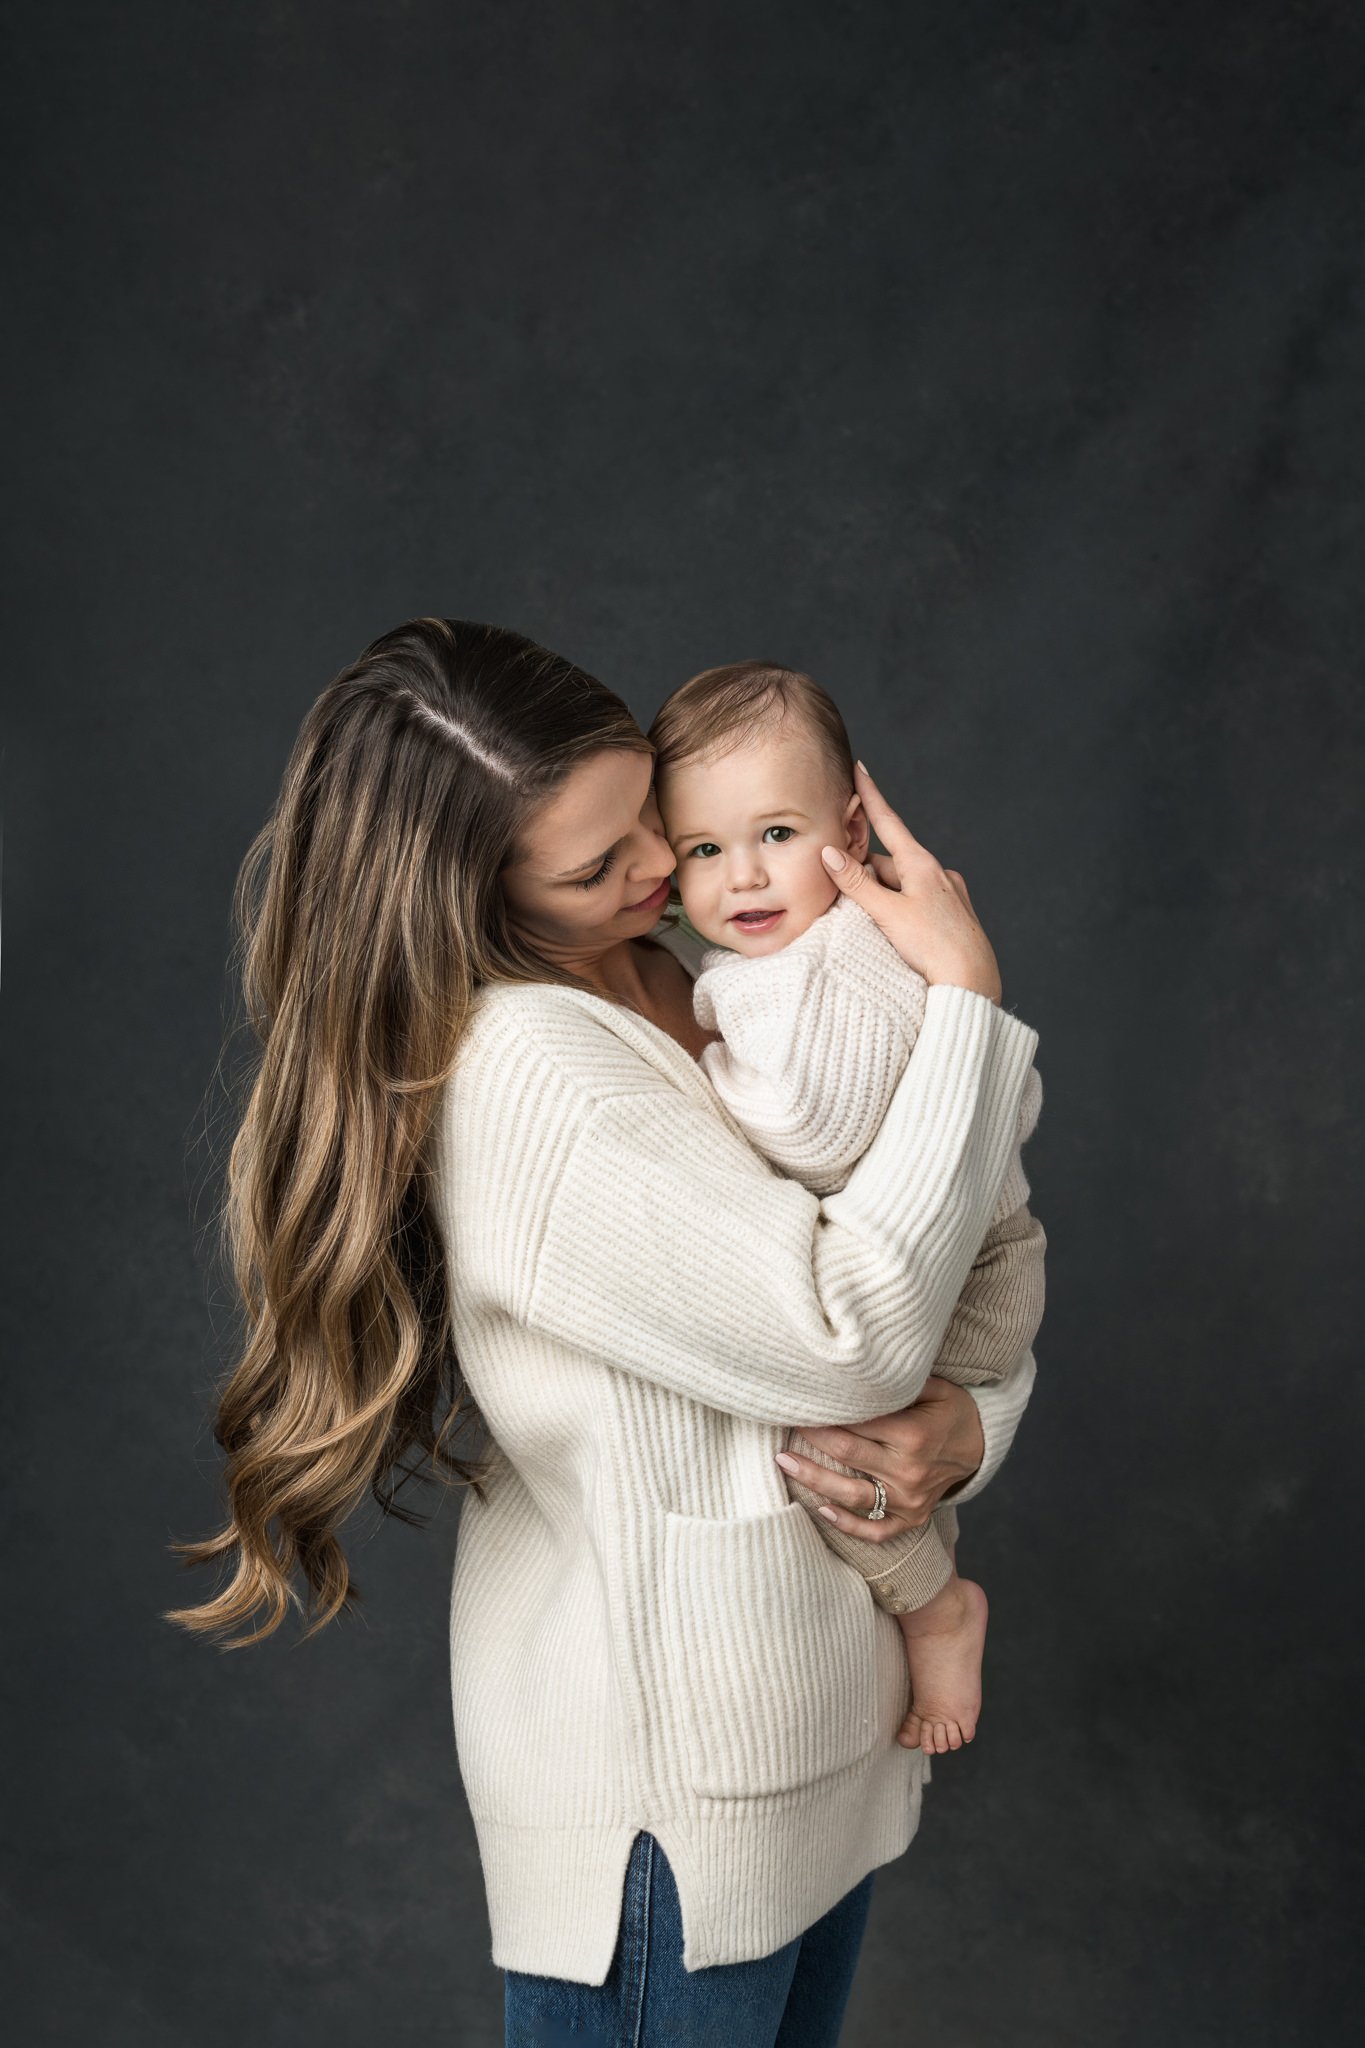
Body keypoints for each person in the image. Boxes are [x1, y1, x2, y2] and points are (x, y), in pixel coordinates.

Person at [164, 617, 1041, 2048]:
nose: (664, 870)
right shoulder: (533, 1079)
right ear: (470, 895)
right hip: (676, 1796)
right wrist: (964, 1001)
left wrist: (970, 1432)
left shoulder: (692, 975)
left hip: (817, 1722)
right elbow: (849, 1335)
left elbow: (935, 1276)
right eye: (597, 865)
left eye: (655, 817)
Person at [646, 658, 1047, 1755]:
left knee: (837, 1456)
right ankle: (937, 1587)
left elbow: (815, 1130)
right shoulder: (865, 941)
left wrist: (702, 1076)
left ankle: (937, 1607)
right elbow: (1009, 1086)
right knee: (887, 1451)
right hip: (989, 1250)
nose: (743, 879)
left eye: (777, 832)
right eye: (705, 849)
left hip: (973, 1273)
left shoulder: (813, 967)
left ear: (855, 829)